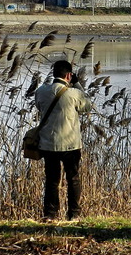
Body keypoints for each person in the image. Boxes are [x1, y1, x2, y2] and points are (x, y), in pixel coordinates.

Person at [34, 59, 93, 221]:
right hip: (70, 145)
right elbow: (87, 106)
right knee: (73, 179)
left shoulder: (41, 91)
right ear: (69, 75)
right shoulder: (74, 93)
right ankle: (74, 215)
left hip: (48, 144)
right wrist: (78, 84)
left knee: (52, 180)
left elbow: (39, 107)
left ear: (54, 73)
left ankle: (50, 214)